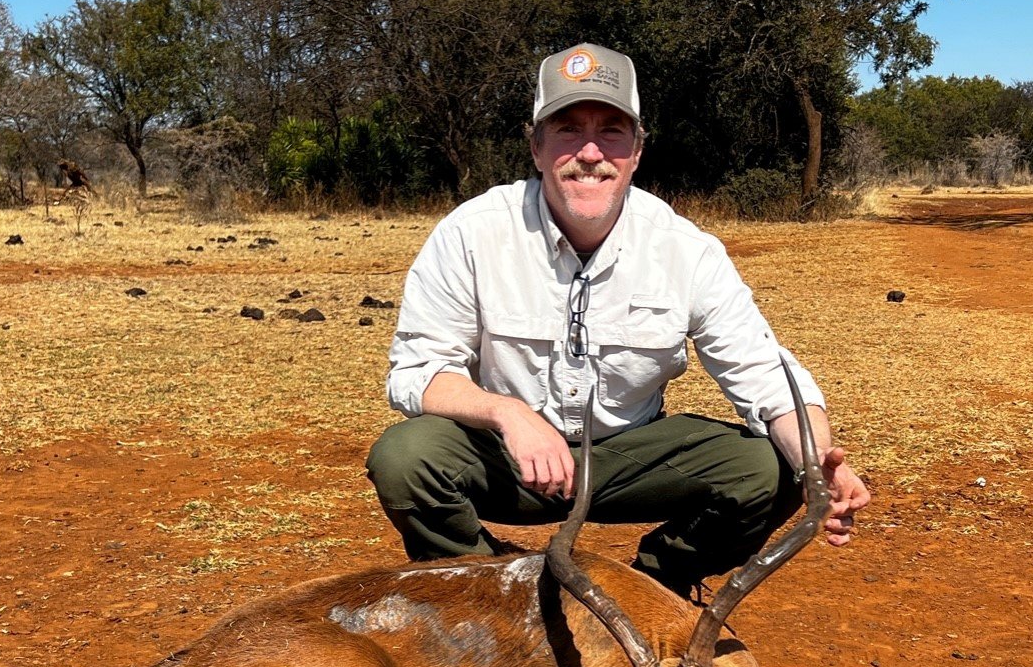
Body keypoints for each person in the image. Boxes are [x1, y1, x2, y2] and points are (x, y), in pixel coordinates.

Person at [366, 43, 869, 597]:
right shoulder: (471, 232)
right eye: (566, 129)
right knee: (405, 458)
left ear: (636, 150)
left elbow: (765, 378)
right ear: (535, 148)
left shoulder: (687, 249)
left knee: (771, 470)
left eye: (612, 130)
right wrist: (507, 414)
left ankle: (654, 593)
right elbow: (415, 372)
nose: (589, 151)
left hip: (629, 456)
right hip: (510, 459)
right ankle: (499, 595)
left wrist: (818, 465)